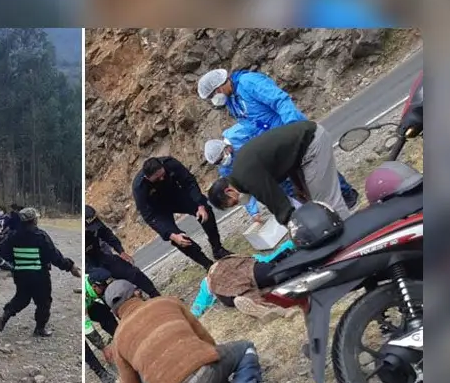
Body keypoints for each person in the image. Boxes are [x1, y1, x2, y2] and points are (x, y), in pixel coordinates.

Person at [104, 279, 289, 383]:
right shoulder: (167, 302)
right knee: (245, 347)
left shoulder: (118, 342)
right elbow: (206, 340)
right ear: (137, 293)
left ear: (116, 313)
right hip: (207, 376)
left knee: (153, 382)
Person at [197, 67, 358, 208]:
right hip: (276, 145)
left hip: (290, 133)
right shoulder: (232, 103)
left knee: (318, 169)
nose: (215, 98)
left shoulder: (249, 83)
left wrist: (292, 127)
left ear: (220, 85)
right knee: (301, 179)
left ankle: (347, 194)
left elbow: (280, 100)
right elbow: (250, 125)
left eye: (214, 94)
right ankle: (324, 206)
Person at [207, 120, 350, 226]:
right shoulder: (241, 172)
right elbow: (284, 162)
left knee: (327, 202)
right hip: (301, 150)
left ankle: (353, 238)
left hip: (311, 142)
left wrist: (297, 228)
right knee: (316, 202)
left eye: (233, 203)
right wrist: (298, 186)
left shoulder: (248, 178)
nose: (238, 204)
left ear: (229, 191)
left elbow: (281, 207)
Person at [133, 157, 232, 270]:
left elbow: (189, 182)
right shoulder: (139, 188)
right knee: (179, 239)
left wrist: (200, 204)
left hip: (175, 195)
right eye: (157, 178)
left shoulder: (170, 163)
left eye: (162, 175)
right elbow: (149, 217)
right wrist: (170, 234)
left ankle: (218, 249)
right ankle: (208, 265)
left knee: (206, 210)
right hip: (158, 210)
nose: (161, 179)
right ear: (147, 178)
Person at [0, 208, 82, 337]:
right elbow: (54, 255)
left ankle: (5, 315)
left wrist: (16, 260)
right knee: (43, 302)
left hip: (20, 274)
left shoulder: (13, 235)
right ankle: (40, 328)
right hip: (39, 275)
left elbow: (3, 251)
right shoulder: (40, 235)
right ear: (34, 220)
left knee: (22, 298)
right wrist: (70, 267)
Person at [85, 205, 160, 297]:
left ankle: (155, 295)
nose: (93, 230)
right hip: (87, 265)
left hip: (99, 255)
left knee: (131, 271)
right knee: (103, 280)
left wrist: (121, 251)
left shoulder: (94, 223)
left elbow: (107, 234)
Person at [83, 268, 118, 383]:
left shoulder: (93, 278)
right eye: (103, 287)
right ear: (94, 287)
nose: (106, 289)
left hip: (90, 303)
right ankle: (101, 373)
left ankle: (119, 337)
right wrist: (103, 348)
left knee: (105, 312)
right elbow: (86, 327)